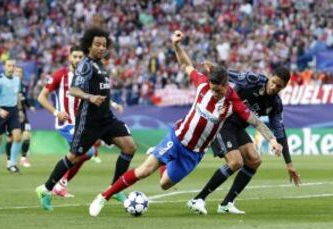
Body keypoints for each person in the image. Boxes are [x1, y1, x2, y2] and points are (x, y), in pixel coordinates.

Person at [88, 30, 283, 217]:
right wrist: (176, 45)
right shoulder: (202, 83)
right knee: (145, 170)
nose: (214, 93)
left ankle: (161, 157)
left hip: (194, 153)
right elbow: (186, 65)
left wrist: (272, 139)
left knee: (164, 184)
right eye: (212, 89)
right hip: (178, 137)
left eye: (218, 91)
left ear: (226, 86)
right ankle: (103, 196)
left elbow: (255, 121)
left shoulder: (234, 102)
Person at [35, 27, 136, 210]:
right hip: (89, 121)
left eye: (104, 45)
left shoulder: (101, 65)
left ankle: (114, 189)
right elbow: (73, 90)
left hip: (107, 118)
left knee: (129, 146)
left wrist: (109, 103)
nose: (101, 48)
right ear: (89, 46)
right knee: (74, 156)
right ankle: (46, 188)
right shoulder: (86, 64)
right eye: (97, 44)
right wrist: (90, 97)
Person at [186, 63, 301, 215]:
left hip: (238, 128)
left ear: (284, 87)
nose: (274, 87)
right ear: (270, 77)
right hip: (222, 122)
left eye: (278, 86)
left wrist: (289, 164)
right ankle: (198, 199)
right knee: (235, 162)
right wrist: (214, 69)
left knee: (254, 160)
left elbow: (280, 133)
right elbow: (228, 74)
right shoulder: (253, 79)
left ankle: (227, 204)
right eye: (273, 82)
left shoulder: (275, 104)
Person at [38, 45, 105, 197]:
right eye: (74, 56)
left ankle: (59, 184)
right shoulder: (59, 75)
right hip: (66, 123)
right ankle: (59, 184)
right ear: (69, 57)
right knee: (87, 151)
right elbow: (41, 97)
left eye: (80, 57)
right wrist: (56, 112)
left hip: (81, 123)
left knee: (86, 152)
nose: (77, 59)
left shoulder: (88, 76)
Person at [0, 59, 22, 174]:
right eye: (9, 65)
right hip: (0, 110)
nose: (11, 68)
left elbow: (16, 95)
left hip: (13, 110)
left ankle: (12, 164)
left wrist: (20, 110)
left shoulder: (17, 79)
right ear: (5, 67)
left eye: (13, 66)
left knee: (17, 137)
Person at [6, 66, 35, 168]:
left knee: (26, 136)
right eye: (16, 72)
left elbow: (24, 99)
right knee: (10, 138)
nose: (18, 74)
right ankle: (9, 160)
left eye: (20, 72)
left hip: (23, 115)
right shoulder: (8, 85)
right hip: (12, 115)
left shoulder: (23, 86)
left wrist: (30, 106)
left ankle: (23, 158)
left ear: (22, 75)